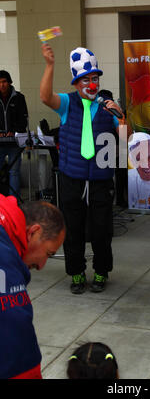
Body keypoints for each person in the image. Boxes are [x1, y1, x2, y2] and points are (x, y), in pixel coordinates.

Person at [40, 44, 129, 295]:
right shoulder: (67, 103)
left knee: (102, 229)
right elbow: (46, 97)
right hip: (73, 178)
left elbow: (125, 138)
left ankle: (101, 271)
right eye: (85, 80)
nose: (91, 84)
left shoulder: (107, 105)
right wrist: (49, 65)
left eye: (94, 79)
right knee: (73, 228)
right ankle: (76, 273)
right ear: (77, 83)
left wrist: (120, 117)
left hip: (101, 179)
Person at [0, 195, 65, 379]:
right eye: (48, 253)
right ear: (33, 232)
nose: (42, 265)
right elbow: (16, 351)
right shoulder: (3, 260)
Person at [0, 70, 28, 198]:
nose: (2, 85)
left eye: (4, 81)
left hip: (15, 142)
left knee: (14, 172)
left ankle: (13, 203)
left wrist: (14, 130)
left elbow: (24, 119)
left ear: (10, 82)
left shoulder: (19, 97)